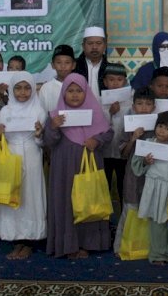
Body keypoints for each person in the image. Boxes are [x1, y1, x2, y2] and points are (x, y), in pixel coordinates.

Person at [44, 73, 113, 259]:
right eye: (70, 91)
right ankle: (68, 244)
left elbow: (108, 134)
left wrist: (96, 140)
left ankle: (87, 243)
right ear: (63, 93)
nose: (75, 95)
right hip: (64, 169)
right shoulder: (54, 116)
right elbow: (49, 141)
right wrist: (54, 126)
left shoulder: (96, 113)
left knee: (89, 200)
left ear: (86, 93)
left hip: (89, 165)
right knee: (67, 202)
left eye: (79, 91)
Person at [0, 71, 47, 260]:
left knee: (30, 197)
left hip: (32, 156)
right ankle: (16, 241)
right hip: (11, 157)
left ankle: (30, 242)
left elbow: (43, 143)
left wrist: (40, 134)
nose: (22, 93)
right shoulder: (6, 111)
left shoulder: (39, 110)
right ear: (12, 89)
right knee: (14, 196)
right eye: (18, 88)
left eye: (27, 88)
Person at [131, 111, 168, 265]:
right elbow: (136, 166)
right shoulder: (147, 144)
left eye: (167, 128)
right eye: (160, 126)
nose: (162, 130)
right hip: (153, 189)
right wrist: (145, 162)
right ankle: (157, 255)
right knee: (156, 223)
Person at [113, 87, 156, 254]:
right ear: (133, 105)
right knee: (130, 208)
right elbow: (123, 154)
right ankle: (122, 246)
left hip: (152, 173)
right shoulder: (129, 123)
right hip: (133, 173)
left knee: (150, 209)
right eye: (139, 104)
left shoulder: (157, 124)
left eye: (148, 104)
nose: (144, 108)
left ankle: (147, 246)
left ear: (153, 106)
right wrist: (133, 139)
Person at [100, 62, 131, 209]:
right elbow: (98, 128)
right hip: (104, 154)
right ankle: (105, 224)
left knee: (123, 189)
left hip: (123, 155)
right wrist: (110, 114)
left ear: (125, 81)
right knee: (103, 190)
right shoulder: (99, 102)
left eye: (119, 80)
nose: (115, 83)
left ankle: (123, 223)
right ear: (105, 82)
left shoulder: (131, 102)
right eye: (111, 80)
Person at [131, 32, 168, 97]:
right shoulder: (145, 71)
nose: (166, 50)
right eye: (162, 47)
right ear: (155, 49)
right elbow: (135, 95)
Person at [39, 44, 77, 114]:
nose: (63, 66)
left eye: (67, 62)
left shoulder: (80, 86)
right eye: (59, 62)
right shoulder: (46, 88)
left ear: (73, 65)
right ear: (53, 65)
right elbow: (42, 114)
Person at [75, 26, 108, 97]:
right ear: (83, 46)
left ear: (105, 46)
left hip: (106, 108)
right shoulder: (73, 66)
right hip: (79, 108)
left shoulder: (110, 67)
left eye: (98, 43)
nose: (94, 47)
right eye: (90, 43)